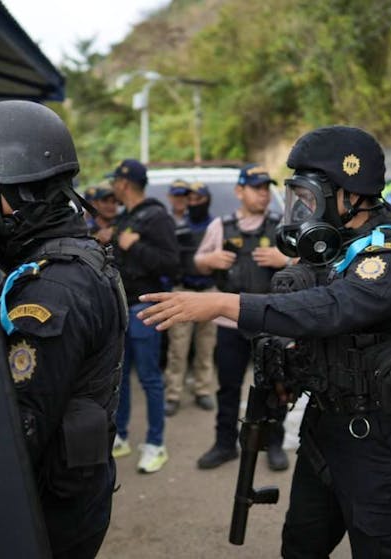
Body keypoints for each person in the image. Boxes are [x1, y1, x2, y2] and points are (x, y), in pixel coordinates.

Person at [139, 127, 391, 558]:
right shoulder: (334, 249)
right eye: (297, 197)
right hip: (323, 431)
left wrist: (224, 304)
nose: (302, 209)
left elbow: (333, 308)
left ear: (350, 194)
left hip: (382, 441)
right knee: (300, 547)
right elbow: (313, 327)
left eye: (310, 197)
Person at [0, 100, 126, 558]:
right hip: (71, 492)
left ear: (12, 196)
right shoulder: (62, 260)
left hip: (48, 509)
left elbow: (20, 427)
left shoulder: (52, 288)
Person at [192, 163, 292, 472]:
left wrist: (285, 258)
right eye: (256, 188)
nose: (263, 195)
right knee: (228, 388)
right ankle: (225, 445)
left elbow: (306, 266)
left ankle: (274, 443)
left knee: (275, 386)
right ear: (240, 191)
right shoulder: (220, 226)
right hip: (229, 323)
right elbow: (198, 262)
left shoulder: (280, 226)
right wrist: (209, 259)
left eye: (266, 189)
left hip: (269, 322)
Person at [108, 158, 180, 474]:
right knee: (119, 377)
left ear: (123, 184)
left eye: (114, 183)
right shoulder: (126, 217)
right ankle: (120, 435)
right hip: (120, 309)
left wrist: (133, 245)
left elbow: (169, 263)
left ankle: (155, 444)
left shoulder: (156, 217)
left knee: (150, 378)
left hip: (144, 308)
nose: (112, 188)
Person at [165, 180, 217, 416]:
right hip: (182, 291)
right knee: (178, 348)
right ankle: (173, 394)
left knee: (205, 348)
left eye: (199, 199)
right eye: (191, 199)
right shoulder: (178, 226)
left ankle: (203, 390)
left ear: (207, 200)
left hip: (208, 292)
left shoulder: (216, 226)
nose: (194, 203)